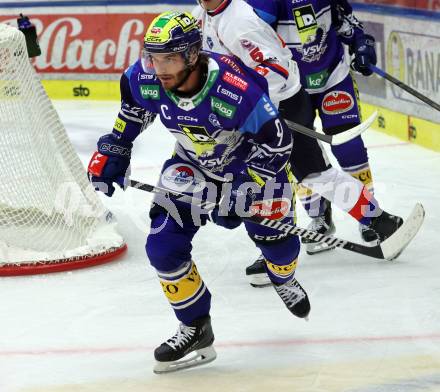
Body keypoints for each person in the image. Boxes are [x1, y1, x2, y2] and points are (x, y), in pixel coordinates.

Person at [87, 11, 311, 373]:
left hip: (250, 166)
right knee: (162, 246)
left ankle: (282, 277)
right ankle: (195, 326)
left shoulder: (234, 87)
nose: (159, 68)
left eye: (169, 58)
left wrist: (248, 188)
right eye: (154, 57)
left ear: (192, 55)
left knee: (279, 246)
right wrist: (116, 145)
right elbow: (133, 109)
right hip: (193, 167)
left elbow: (279, 142)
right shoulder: (144, 76)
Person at [193, 0, 403, 287]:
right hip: (264, 107)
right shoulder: (203, 14)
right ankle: (381, 221)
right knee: (311, 174)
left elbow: (275, 69)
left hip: (279, 105)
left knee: (272, 179)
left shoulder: (240, 20)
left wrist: (253, 107)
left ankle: (276, 253)